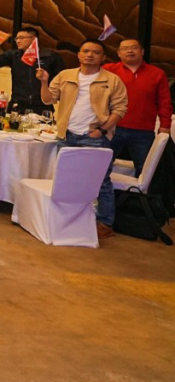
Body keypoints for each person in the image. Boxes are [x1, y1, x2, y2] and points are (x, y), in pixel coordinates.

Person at [39, 41, 128, 239]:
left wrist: (102, 131)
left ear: (103, 57)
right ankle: (67, 219)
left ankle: (105, 222)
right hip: (66, 135)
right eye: (86, 51)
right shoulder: (65, 75)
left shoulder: (112, 80)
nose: (90, 55)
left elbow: (120, 108)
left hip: (94, 138)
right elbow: (48, 99)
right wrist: (44, 81)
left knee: (100, 181)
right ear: (78, 55)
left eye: (96, 52)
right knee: (66, 179)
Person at [104, 39, 172, 176]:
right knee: (101, 166)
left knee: (145, 171)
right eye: (125, 48)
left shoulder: (157, 73)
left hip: (143, 131)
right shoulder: (107, 70)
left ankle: (140, 192)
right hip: (111, 127)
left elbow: (164, 102)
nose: (130, 51)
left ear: (142, 51)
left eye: (134, 47)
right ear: (119, 53)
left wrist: (165, 126)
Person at [0, 26, 61, 112]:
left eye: (21, 38)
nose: (18, 41)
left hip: (42, 105)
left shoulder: (50, 56)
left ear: (34, 39)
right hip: (18, 104)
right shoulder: (14, 55)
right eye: (16, 38)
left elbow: (59, 78)